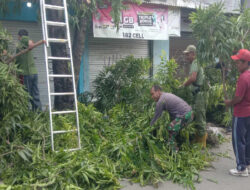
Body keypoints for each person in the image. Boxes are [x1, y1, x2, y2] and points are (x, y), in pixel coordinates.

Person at [224, 49, 250, 177]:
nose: (236, 65)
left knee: (238, 140)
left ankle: (241, 168)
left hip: (241, 113)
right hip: (249, 113)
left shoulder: (243, 78)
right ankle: (247, 163)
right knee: (247, 139)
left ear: (245, 63)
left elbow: (238, 98)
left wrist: (229, 102)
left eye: (238, 62)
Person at [150, 85, 193, 151]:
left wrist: (149, 129)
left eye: (153, 94)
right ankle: (178, 145)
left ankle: (174, 152)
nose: (152, 97)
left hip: (185, 115)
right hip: (189, 113)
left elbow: (156, 118)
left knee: (170, 129)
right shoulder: (165, 95)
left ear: (158, 91)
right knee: (173, 125)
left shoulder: (161, 101)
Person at [182, 45, 207, 148]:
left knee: (200, 117)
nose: (186, 57)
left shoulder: (195, 63)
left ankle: (201, 144)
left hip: (199, 95)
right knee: (196, 116)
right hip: (197, 94)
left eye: (188, 54)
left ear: (193, 53)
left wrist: (183, 85)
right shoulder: (195, 63)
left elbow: (192, 78)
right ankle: (197, 139)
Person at [16, 29, 42, 111]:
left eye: (18, 36)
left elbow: (27, 40)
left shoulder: (21, 43)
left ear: (19, 36)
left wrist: (29, 41)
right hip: (34, 73)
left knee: (26, 95)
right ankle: (38, 115)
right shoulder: (22, 46)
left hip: (26, 74)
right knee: (35, 95)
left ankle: (27, 115)